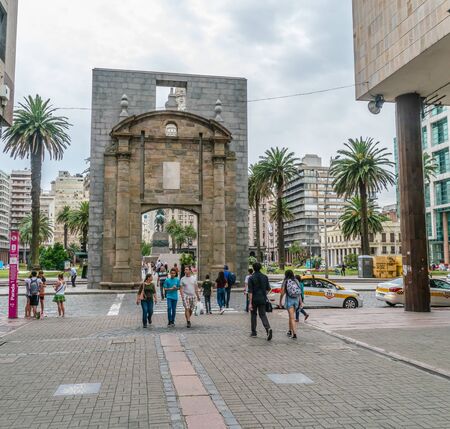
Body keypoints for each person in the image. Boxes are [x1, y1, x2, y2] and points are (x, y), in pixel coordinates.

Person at [248, 262, 272, 340]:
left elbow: (250, 291)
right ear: (261, 268)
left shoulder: (251, 278)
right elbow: (268, 289)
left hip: (254, 299)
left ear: (253, 268)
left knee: (253, 315)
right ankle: (268, 328)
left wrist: (250, 303)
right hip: (262, 298)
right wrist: (264, 294)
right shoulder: (265, 277)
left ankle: (254, 332)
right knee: (262, 315)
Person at [279, 270, 302, 339]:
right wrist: (301, 303)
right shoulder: (296, 280)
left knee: (292, 318)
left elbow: (282, 293)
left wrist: (280, 301)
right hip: (296, 301)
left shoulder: (285, 281)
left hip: (290, 301)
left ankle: (294, 334)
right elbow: (299, 292)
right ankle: (289, 331)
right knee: (291, 316)